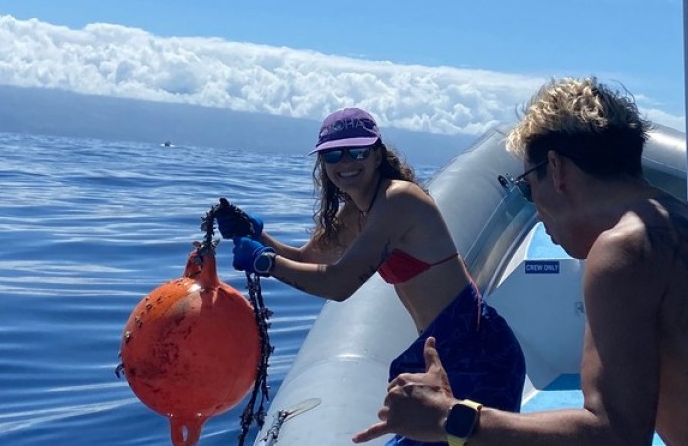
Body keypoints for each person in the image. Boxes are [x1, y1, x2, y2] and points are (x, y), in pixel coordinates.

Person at [353, 78, 688, 446]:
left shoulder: (626, 248)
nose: (537, 210)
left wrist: (451, 417)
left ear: (556, 169)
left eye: (527, 187)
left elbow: (615, 436)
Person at [214, 107, 525, 446]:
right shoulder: (357, 213)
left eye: (358, 151)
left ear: (377, 155)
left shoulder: (398, 199)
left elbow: (339, 284)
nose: (346, 162)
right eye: (333, 154)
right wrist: (256, 235)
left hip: (478, 353)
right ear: (323, 163)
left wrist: (265, 263)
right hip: (441, 352)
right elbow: (306, 259)